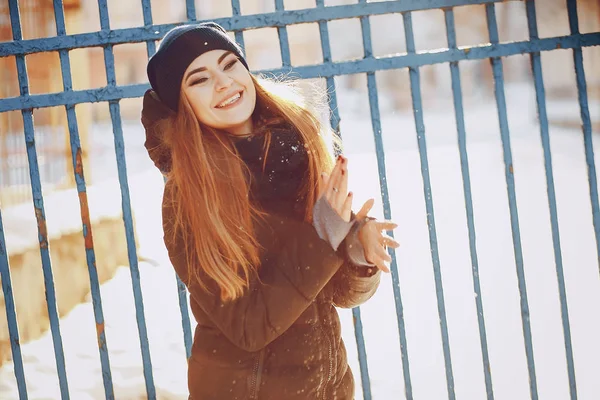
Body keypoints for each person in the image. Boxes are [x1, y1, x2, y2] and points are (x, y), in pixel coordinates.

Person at [141, 22, 399, 400]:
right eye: (199, 79)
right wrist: (324, 235)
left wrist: (356, 250)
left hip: (327, 385)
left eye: (230, 64)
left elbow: (334, 292)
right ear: (183, 105)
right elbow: (250, 326)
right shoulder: (189, 194)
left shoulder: (297, 146)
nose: (224, 82)